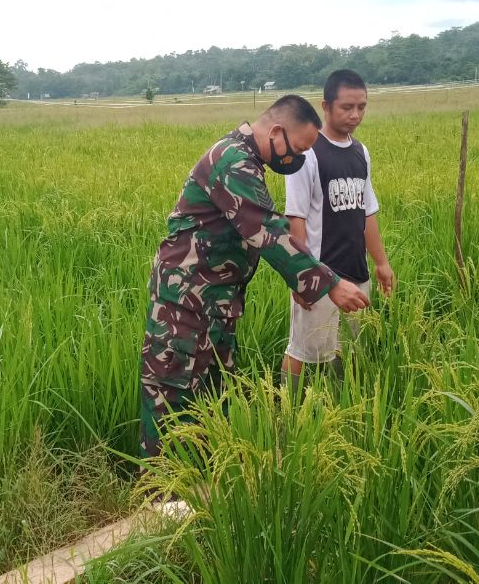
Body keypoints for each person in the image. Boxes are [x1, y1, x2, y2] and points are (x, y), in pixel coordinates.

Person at [140, 94, 370, 460]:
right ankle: (162, 496)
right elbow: (269, 232)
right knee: (172, 389)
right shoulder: (232, 161)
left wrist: (302, 280)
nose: (295, 160)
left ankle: (203, 474)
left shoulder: (248, 160)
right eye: (297, 149)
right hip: (184, 300)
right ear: (277, 132)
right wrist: (327, 283)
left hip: (214, 301)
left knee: (213, 389)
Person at [281, 70, 393, 383]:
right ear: (326, 106)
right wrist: (302, 276)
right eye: (347, 107)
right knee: (303, 351)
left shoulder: (361, 152)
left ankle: (340, 406)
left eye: (362, 106)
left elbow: (367, 212)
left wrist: (381, 263)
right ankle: (284, 415)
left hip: (358, 273)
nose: (355, 115)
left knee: (350, 351)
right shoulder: (308, 153)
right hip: (321, 276)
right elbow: (296, 220)